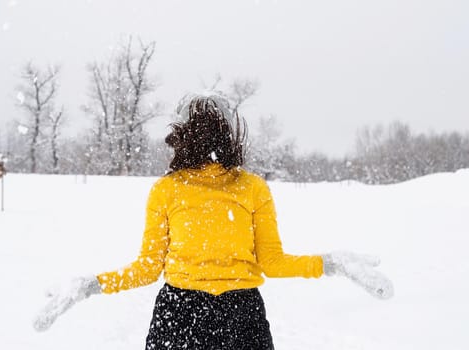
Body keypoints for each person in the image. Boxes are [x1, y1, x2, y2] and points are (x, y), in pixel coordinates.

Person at [33, 92, 393, 349]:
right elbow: (273, 263)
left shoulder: (168, 190)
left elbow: (146, 269)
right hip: (240, 318)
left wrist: (91, 285)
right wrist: (329, 264)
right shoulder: (252, 188)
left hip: (180, 317)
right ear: (228, 134)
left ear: (182, 136)